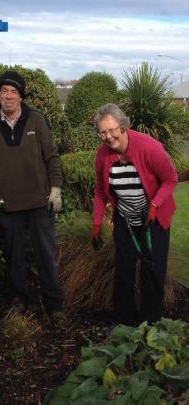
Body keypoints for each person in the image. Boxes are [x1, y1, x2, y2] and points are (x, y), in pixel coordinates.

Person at [0, 70, 64, 319]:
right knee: (15, 258)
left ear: (21, 96)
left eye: (14, 92)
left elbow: (52, 157)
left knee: (45, 254)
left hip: (39, 201)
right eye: (4, 91)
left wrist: (55, 190)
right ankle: (20, 301)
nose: (9, 96)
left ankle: (54, 304)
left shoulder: (36, 120)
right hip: (8, 204)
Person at [91, 103, 177, 326]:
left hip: (154, 219)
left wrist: (155, 205)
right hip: (126, 219)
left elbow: (170, 179)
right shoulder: (102, 155)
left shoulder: (148, 147)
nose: (108, 137)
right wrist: (97, 223)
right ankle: (123, 321)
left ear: (123, 126)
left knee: (152, 271)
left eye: (112, 130)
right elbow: (100, 191)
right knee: (123, 271)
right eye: (103, 132)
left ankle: (151, 323)